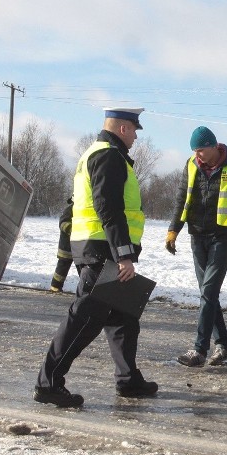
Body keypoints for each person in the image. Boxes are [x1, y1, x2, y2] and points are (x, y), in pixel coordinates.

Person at [34, 107, 157, 407]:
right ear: (124, 128)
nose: (137, 137)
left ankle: (128, 380)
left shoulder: (101, 153)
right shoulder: (108, 155)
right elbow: (108, 207)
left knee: (123, 316)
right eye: (135, 130)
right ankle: (48, 383)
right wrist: (124, 254)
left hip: (102, 247)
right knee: (86, 317)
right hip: (103, 249)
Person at [167, 126, 227, 368]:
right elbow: (180, 198)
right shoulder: (191, 165)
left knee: (208, 292)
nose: (198, 155)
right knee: (209, 294)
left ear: (213, 147)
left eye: (201, 150)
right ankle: (223, 345)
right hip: (196, 235)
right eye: (195, 151)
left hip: (221, 237)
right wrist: (173, 229)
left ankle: (199, 350)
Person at [49, 197, 74, 292]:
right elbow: (63, 223)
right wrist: (72, 230)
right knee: (62, 269)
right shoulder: (70, 209)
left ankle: (87, 288)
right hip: (66, 247)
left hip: (77, 247)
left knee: (84, 269)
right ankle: (55, 286)